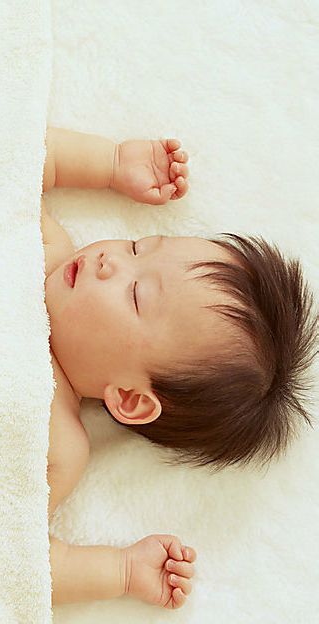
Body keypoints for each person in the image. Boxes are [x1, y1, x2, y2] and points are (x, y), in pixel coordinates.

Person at [41, 126, 318, 608]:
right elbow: (9, 153)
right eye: (137, 247)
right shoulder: (42, 246)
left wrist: (120, 571)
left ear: (130, 398)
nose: (110, 260)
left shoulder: (59, 444)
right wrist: (108, 164)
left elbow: (10, 553)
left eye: (135, 295)